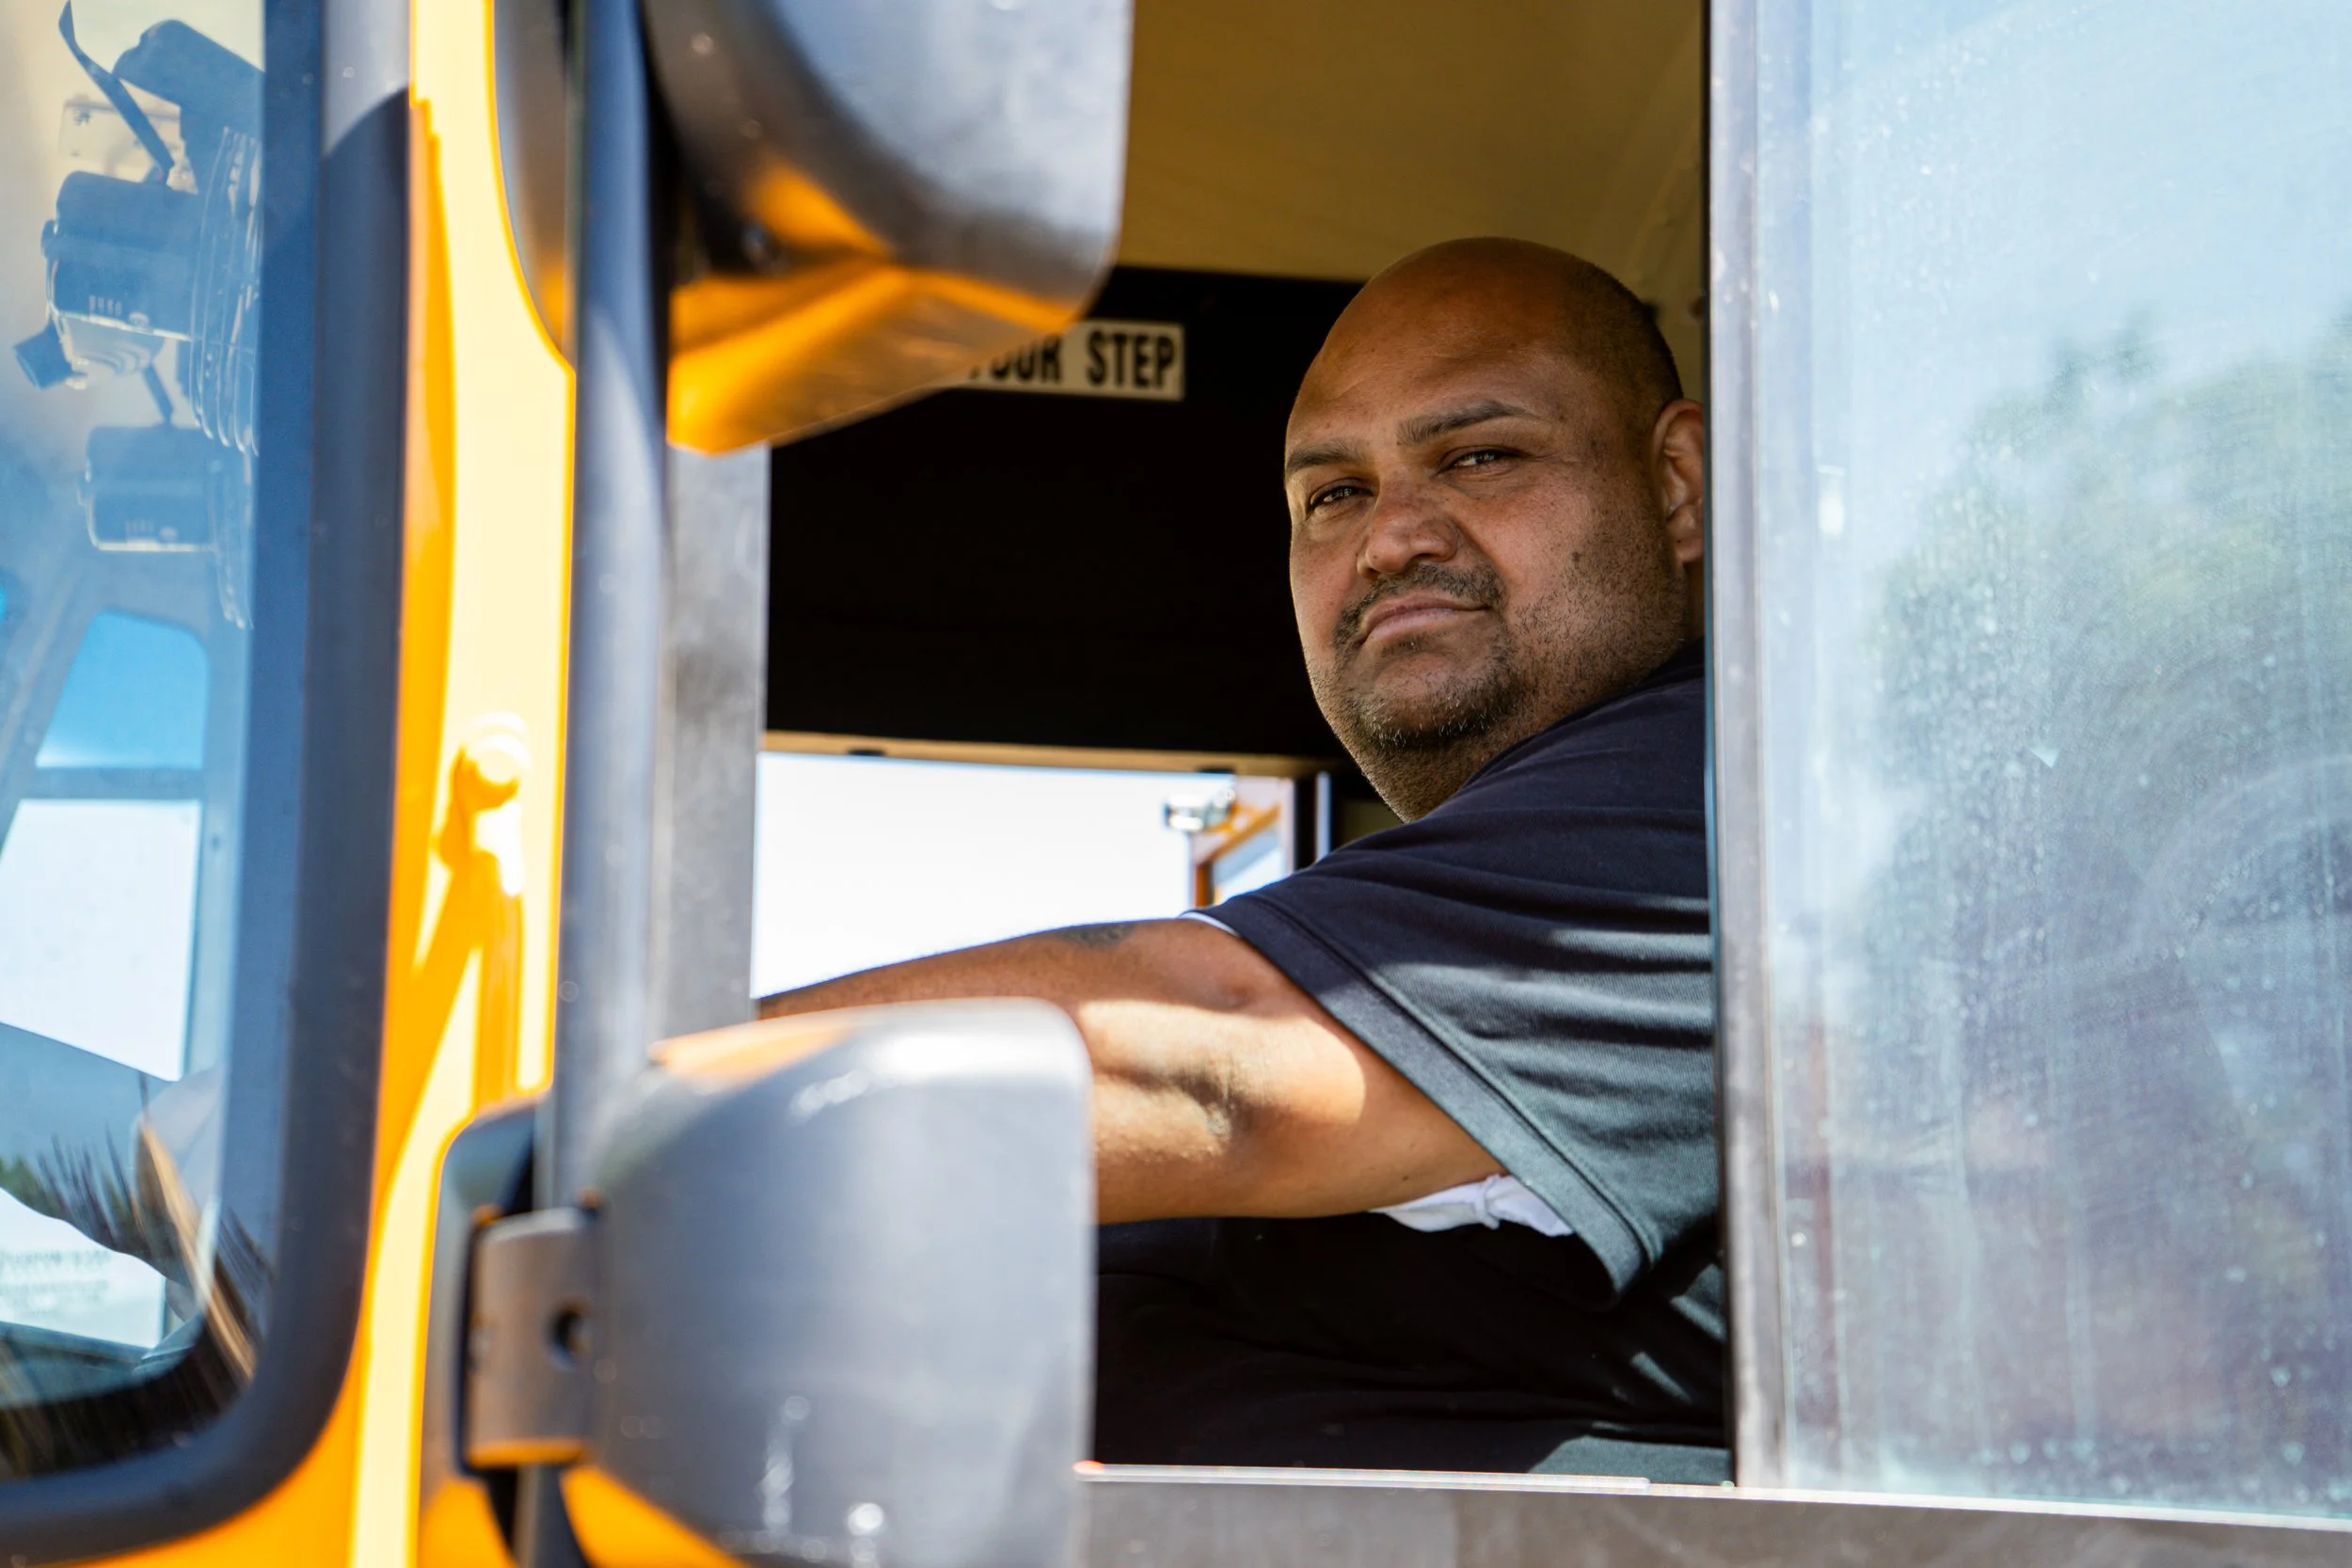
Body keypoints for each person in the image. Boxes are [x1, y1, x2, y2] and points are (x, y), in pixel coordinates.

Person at [758, 237, 1721, 1479]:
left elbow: (1212, 1056)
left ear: (1678, 487)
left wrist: (602, 1110)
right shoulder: (1459, 893)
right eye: (1334, 493)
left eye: (1480, 455)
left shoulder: (1703, 800)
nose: (1388, 540)